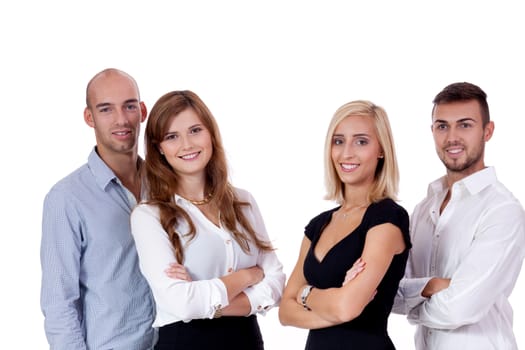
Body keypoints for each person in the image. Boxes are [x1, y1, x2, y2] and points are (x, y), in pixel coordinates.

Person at [130, 90, 285, 350]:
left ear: (211, 133)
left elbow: (277, 283)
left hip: (246, 341)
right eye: (172, 137)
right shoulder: (148, 216)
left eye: (195, 130)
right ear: (160, 148)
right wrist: (248, 275)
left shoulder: (243, 202)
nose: (187, 145)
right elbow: (180, 302)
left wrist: (209, 301)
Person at [392, 82, 525, 349]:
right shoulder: (422, 209)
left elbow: (460, 308)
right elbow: (392, 292)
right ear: (432, 131)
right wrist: (434, 286)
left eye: (465, 125)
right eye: (442, 126)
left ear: (487, 131)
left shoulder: (502, 210)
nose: (452, 137)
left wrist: (414, 307)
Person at [278, 100, 411, 349]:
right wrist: (337, 302)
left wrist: (304, 294)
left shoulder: (388, 218)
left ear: (381, 149)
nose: (347, 153)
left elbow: (346, 307)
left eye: (361, 141)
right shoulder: (317, 225)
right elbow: (285, 312)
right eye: (338, 141)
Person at [40, 68, 156, 349]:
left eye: (129, 106)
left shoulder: (166, 185)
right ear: (89, 117)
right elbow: (59, 304)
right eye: (106, 109)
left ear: (142, 110)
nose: (121, 119)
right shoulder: (66, 198)